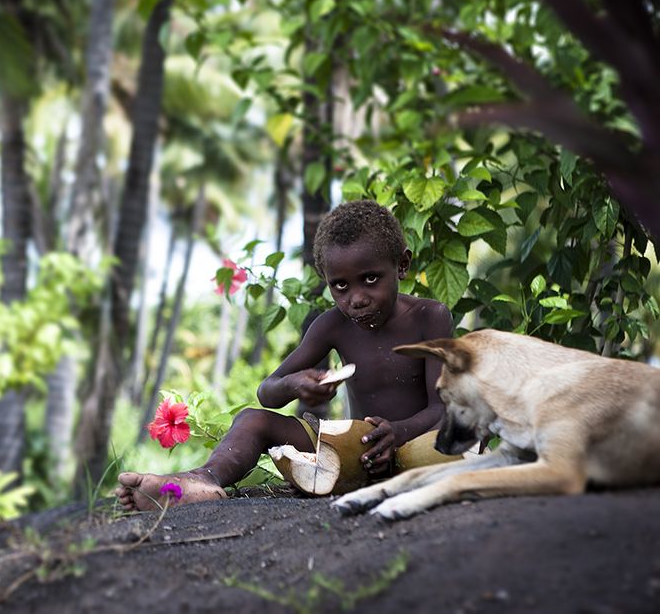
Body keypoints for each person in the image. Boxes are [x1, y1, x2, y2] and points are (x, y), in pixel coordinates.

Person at [115, 200, 453, 511]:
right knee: (253, 419)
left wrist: (397, 431)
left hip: (415, 448)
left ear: (402, 265)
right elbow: (268, 392)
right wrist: (295, 385)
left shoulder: (430, 317)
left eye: (370, 279)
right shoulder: (332, 325)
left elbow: (440, 408)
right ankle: (201, 481)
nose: (357, 298)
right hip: (356, 453)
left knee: (454, 442)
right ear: (327, 281)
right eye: (341, 286)